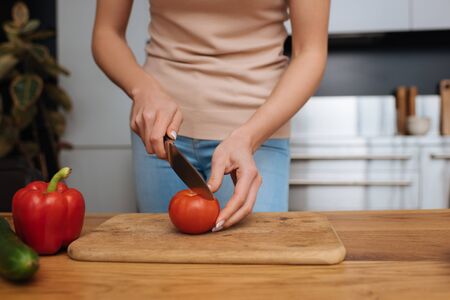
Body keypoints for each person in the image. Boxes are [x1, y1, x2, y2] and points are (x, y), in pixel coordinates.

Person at [92, 0, 330, 232]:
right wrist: (143, 90)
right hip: (161, 136)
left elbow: (310, 51)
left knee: (255, 264)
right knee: (162, 264)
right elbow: (106, 33)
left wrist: (249, 137)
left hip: (258, 136)